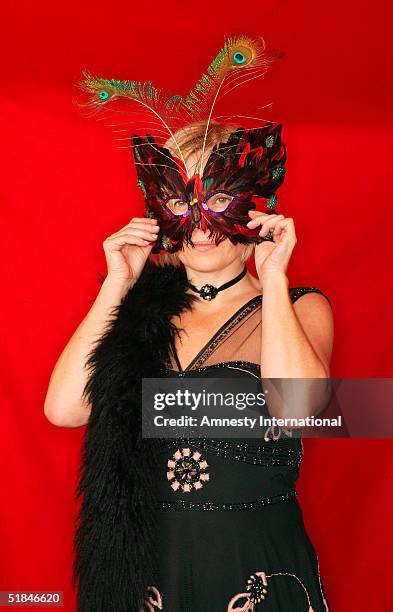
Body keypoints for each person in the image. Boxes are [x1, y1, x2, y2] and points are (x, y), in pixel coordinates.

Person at [45, 118, 333, 611]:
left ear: (257, 204)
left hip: (253, 564)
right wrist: (117, 286)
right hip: (147, 570)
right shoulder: (138, 309)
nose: (201, 224)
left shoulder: (298, 306)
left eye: (220, 200)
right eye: (181, 201)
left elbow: (303, 411)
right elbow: (64, 410)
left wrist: (275, 280)